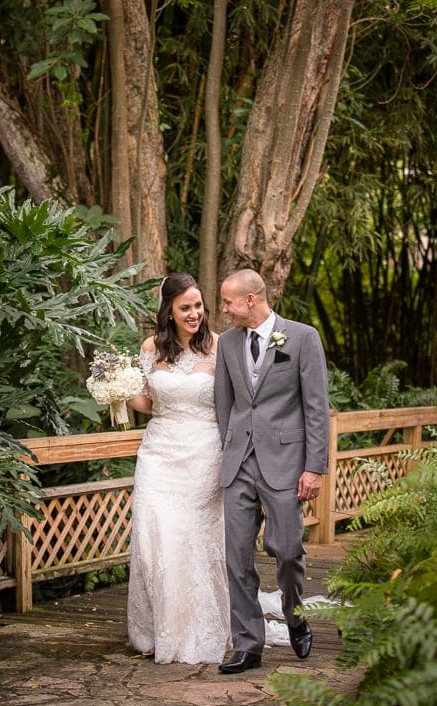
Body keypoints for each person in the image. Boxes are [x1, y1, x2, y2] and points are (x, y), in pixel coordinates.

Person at [214, 268, 329, 674]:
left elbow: (316, 407)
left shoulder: (302, 337)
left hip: (285, 463)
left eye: (229, 301)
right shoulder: (226, 343)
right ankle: (248, 644)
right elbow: (224, 404)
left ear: (251, 299)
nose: (224, 310)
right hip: (240, 463)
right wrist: (230, 450)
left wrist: (314, 467)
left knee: (287, 549)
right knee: (237, 556)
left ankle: (294, 613)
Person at [126, 273, 230, 664]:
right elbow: (149, 402)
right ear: (168, 310)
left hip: (204, 451)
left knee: (192, 538)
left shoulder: (220, 345)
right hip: (159, 451)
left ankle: (198, 625)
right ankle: (152, 628)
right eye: (185, 307)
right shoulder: (151, 347)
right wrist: (116, 390)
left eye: (198, 306)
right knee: (154, 536)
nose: (194, 314)